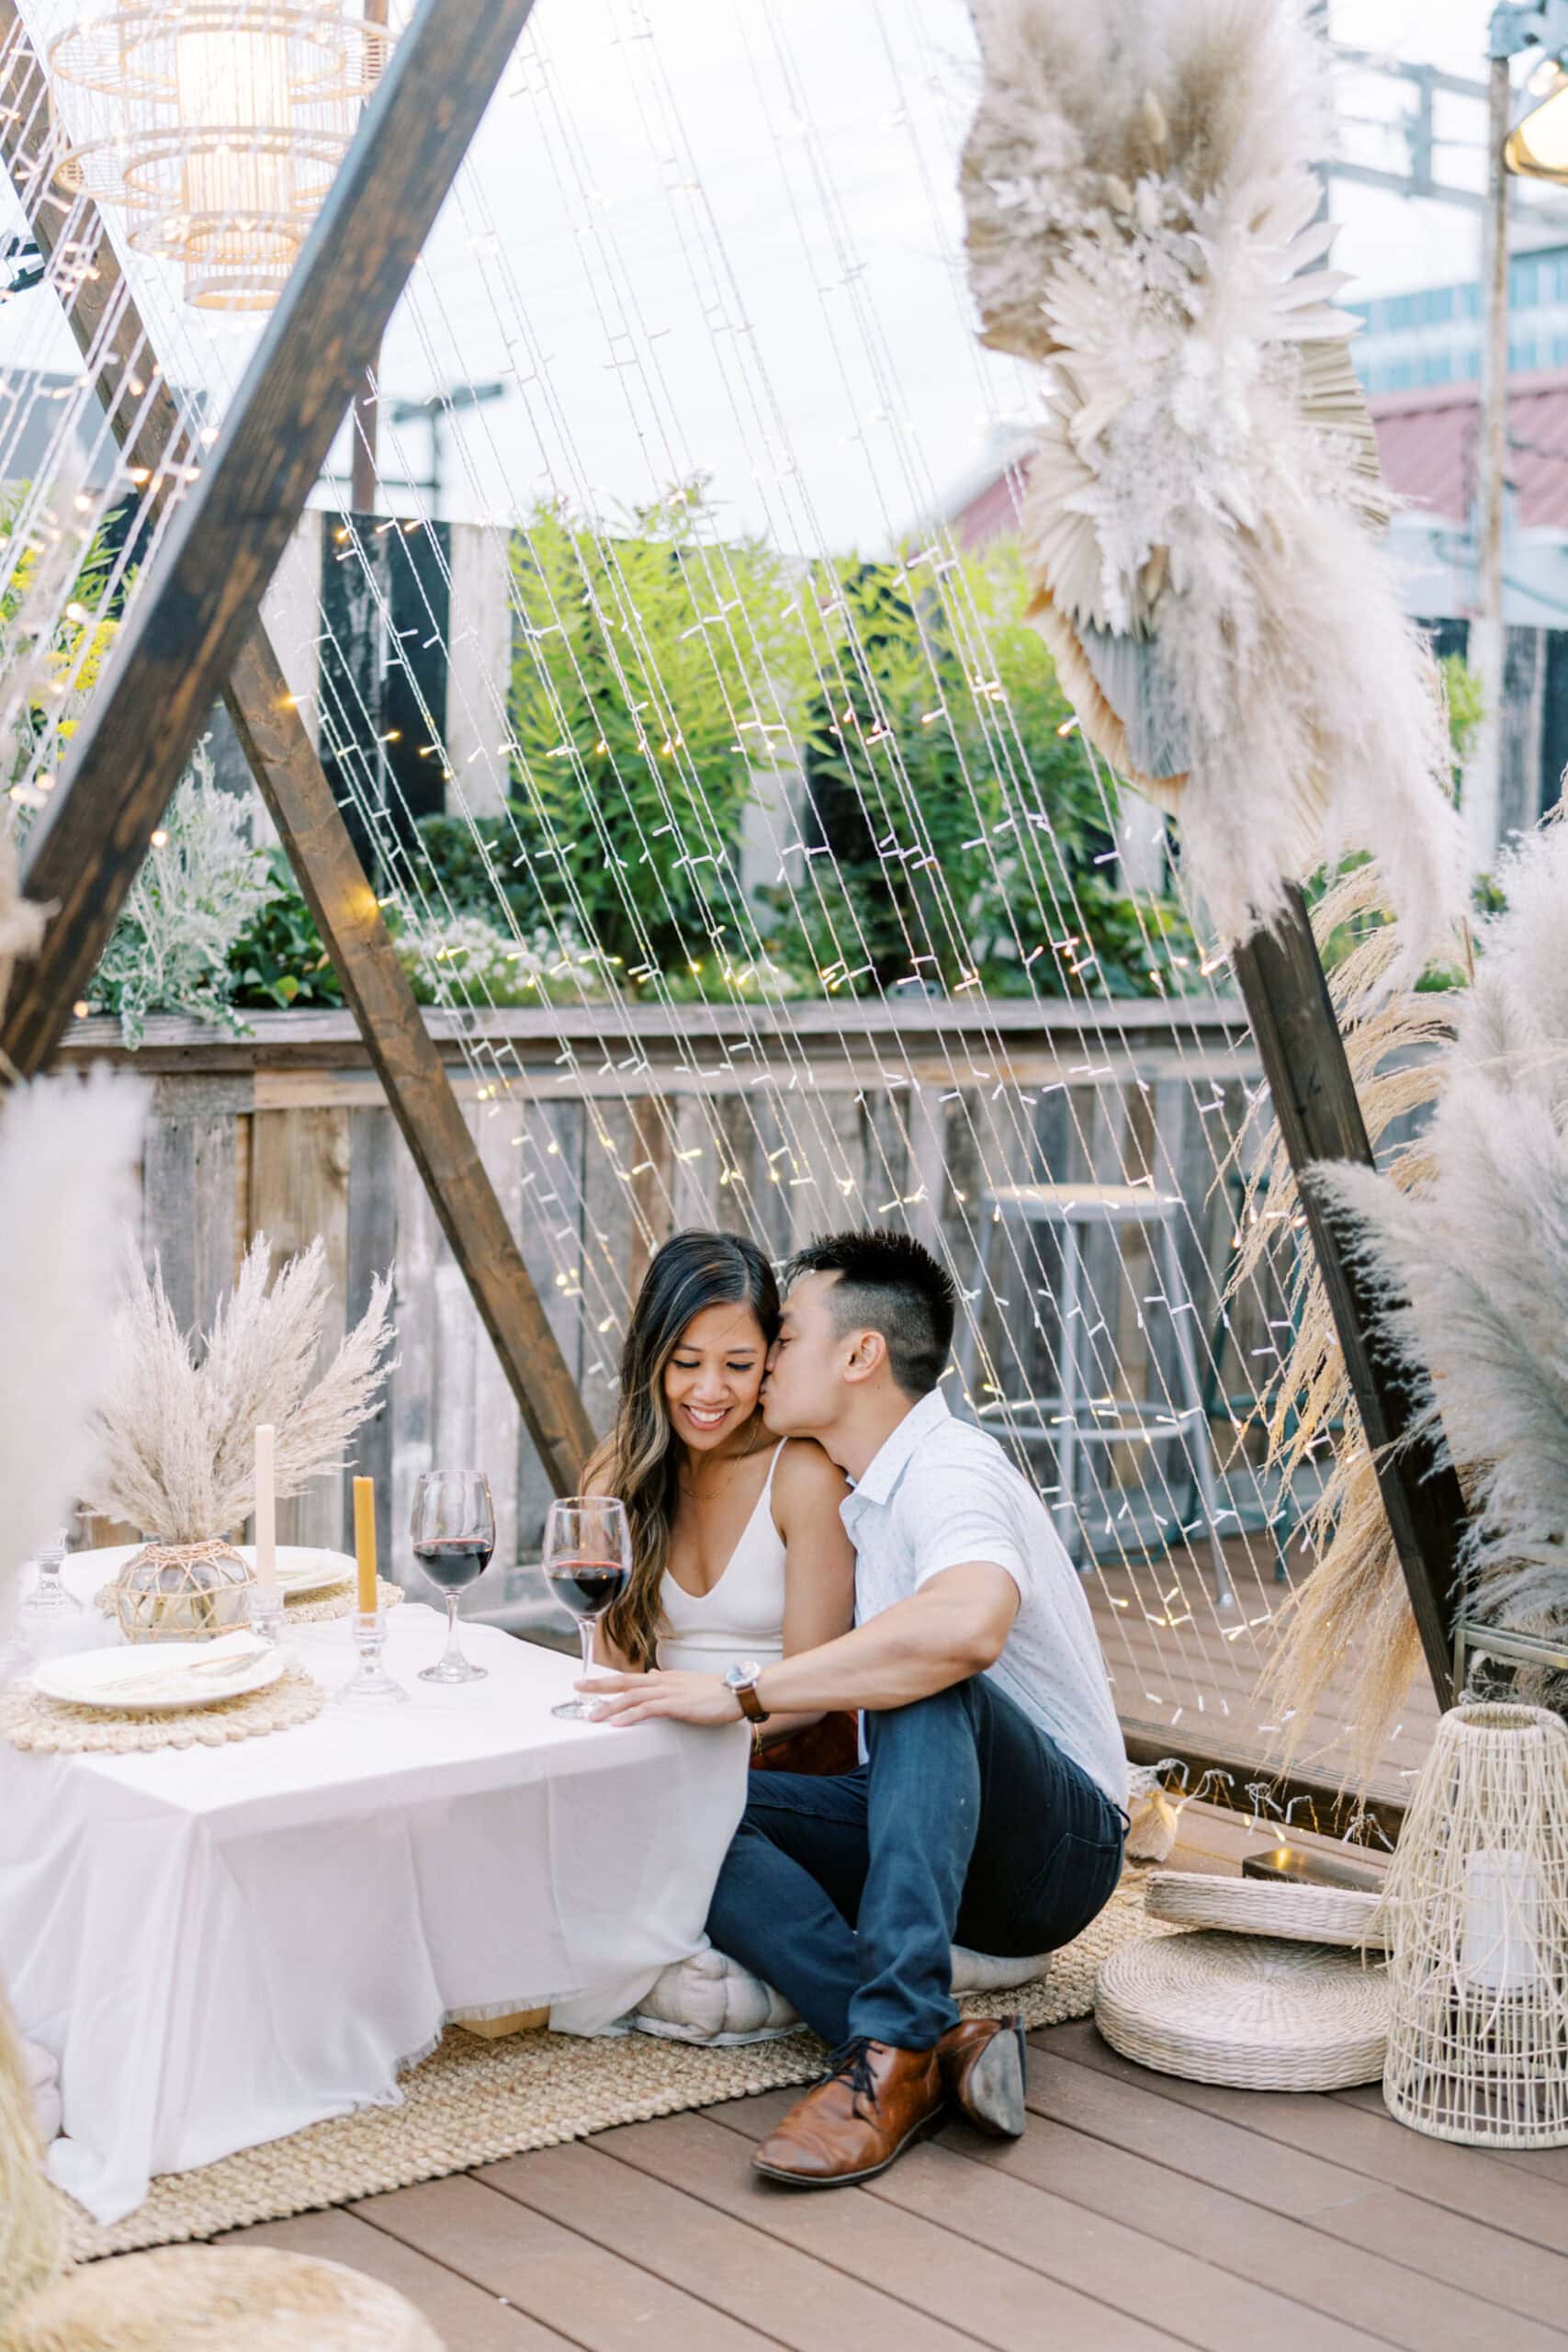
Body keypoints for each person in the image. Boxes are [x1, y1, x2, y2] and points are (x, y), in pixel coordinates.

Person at [581, 1226, 1126, 2188]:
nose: (762, 1363)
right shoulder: (857, 1487)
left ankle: (885, 2048)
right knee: (684, 1807)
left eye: (780, 1340)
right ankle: (937, 2046)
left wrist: (742, 1693)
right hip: (922, 1818)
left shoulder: (950, 1469)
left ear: (861, 1353)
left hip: (1053, 1851)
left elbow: (965, 1628)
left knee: (928, 1665)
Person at [585, 1228, 857, 1772]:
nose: (710, 1392)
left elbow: (814, 1694)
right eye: (687, 1364)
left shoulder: (802, 1475)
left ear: (769, 1361)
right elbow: (612, 1670)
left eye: (737, 1365)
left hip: (787, 1759)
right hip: (658, 1753)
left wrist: (703, 1743)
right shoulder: (619, 1470)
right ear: (652, 1359)